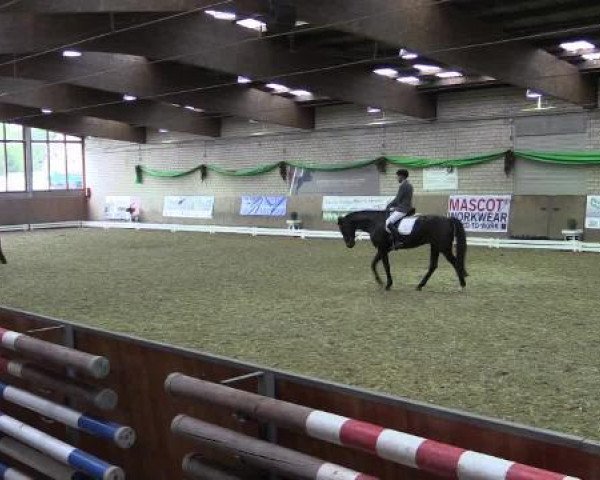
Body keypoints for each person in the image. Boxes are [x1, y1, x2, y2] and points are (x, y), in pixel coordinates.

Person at [385, 169, 413, 249]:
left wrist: (389, 206)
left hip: (403, 209)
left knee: (388, 223)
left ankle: (398, 241)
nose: (397, 178)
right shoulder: (409, 185)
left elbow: (397, 199)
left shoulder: (403, 185)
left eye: (397, 176)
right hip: (406, 207)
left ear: (401, 176)